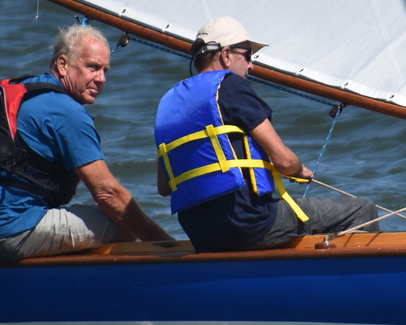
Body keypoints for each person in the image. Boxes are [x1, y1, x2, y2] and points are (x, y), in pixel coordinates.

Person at [154, 16, 378, 252]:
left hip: (200, 234)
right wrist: (298, 169)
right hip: (248, 223)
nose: (251, 66)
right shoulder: (229, 85)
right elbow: (284, 161)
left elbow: (164, 187)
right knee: (363, 210)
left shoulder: (167, 103)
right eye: (248, 55)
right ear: (226, 55)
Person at [0, 24, 170, 263]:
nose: (101, 79)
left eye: (105, 70)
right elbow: (108, 193)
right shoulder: (67, 112)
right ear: (62, 64)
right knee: (122, 224)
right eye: (92, 67)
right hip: (2, 232)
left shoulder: (23, 89)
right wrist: (166, 245)